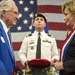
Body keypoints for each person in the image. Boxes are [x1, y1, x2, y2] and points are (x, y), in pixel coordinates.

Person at [54, 0, 75, 75]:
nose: (64, 18)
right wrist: (60, 62)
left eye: (66, 14)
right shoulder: (72, 33)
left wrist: (63, 65)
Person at [0, 0, 20, 75]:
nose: (17, 17)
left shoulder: (7, 32)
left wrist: (15, 69)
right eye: (15, 13)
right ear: (4, 13)